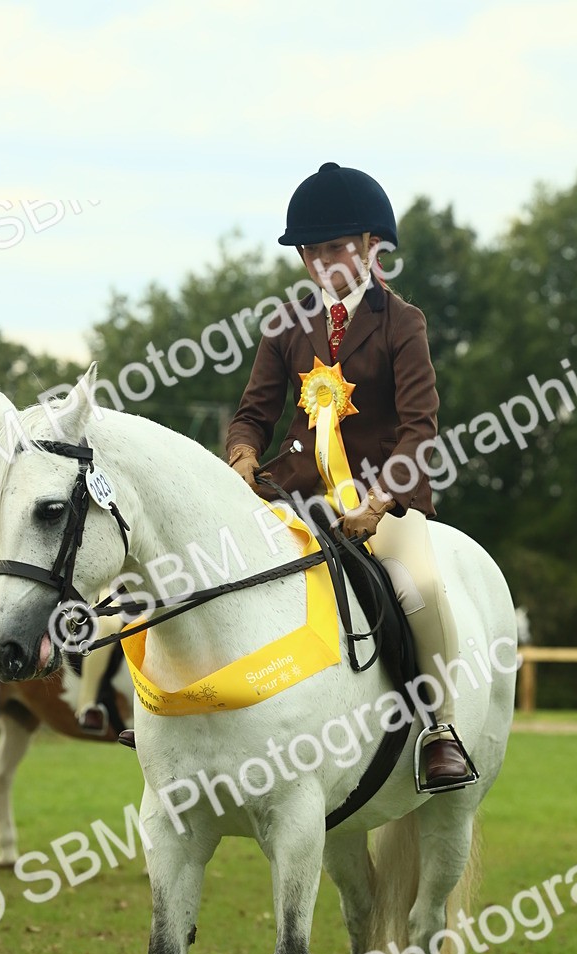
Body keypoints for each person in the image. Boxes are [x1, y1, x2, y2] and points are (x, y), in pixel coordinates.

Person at [226, 162, 474, 789]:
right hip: (297, 495)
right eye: (312, 250)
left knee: (420, 584)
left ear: (369, 247)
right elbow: (253, 414)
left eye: (336, 247)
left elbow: (420, 428)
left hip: (382, 500)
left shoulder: (402, 323)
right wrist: (242, 457)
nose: (323, 261)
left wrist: (381, 499)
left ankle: (441, 729)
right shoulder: (285, 325)